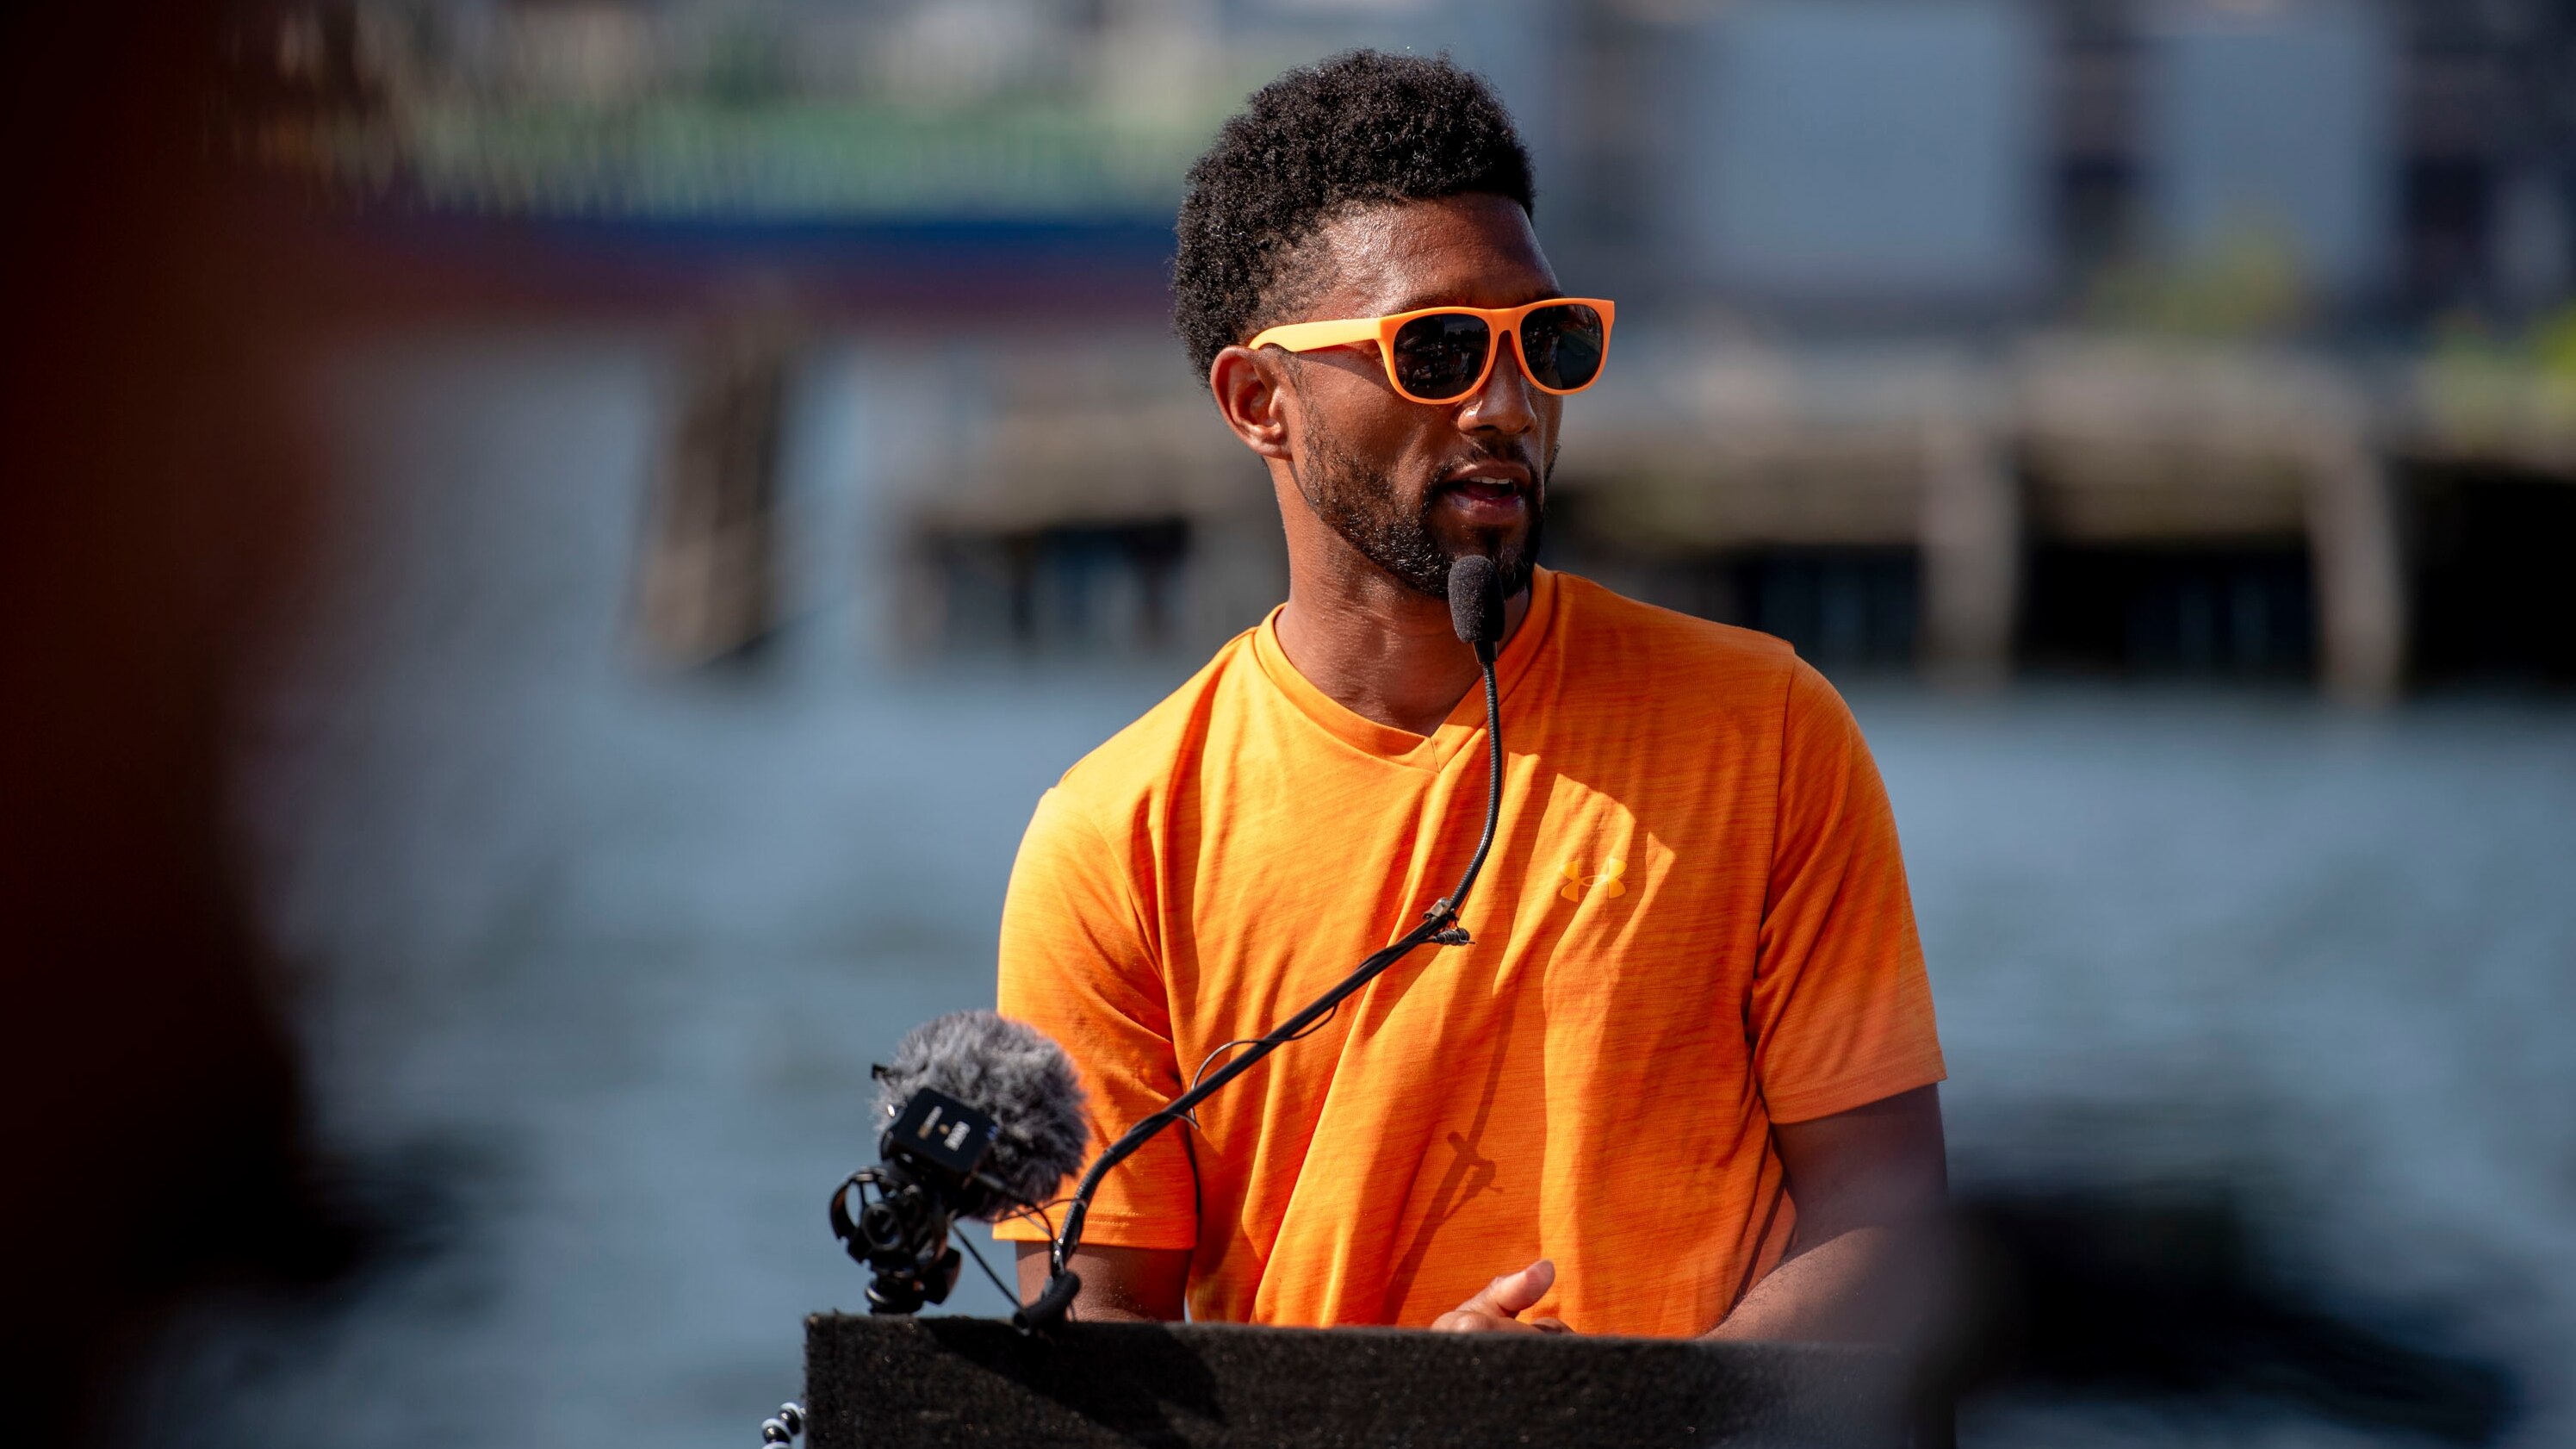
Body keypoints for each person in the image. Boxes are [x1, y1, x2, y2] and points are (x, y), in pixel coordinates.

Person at [996, 50, 1947, 1341]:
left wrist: (1624, 1423)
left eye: (1545, 342)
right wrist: (1404, 1418)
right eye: (1437, 350)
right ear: (1260, 400)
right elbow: (1099, 1352)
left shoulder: (1766, 731)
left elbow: (1886, 1213)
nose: (1507, 404)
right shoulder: (1118, 838)